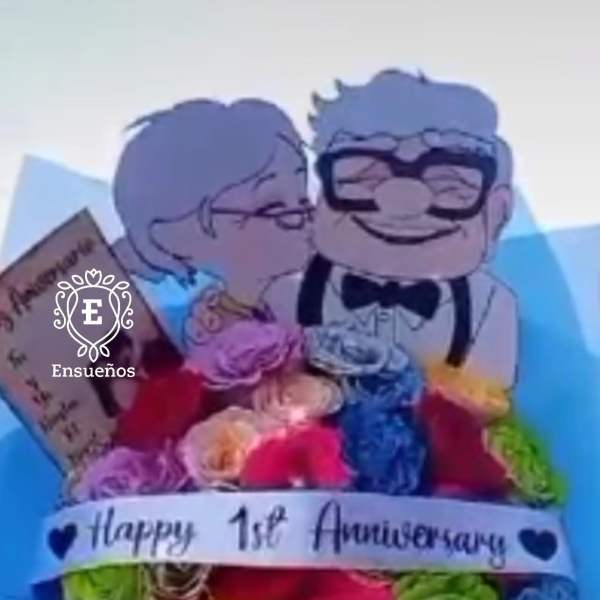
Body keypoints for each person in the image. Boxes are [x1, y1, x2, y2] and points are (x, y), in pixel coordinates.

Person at [267, 70, 517, 386]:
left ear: (497, 212)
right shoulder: (284, 293)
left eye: (447, 183)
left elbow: (492, 400)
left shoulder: (491, 306)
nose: (403, 204)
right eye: (366, 176)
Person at [112, 99, 313, 346]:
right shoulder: (171, 327)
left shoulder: (296, 300)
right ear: (178, 236)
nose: (302, 217)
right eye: (272, 206)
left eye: (302, 198)